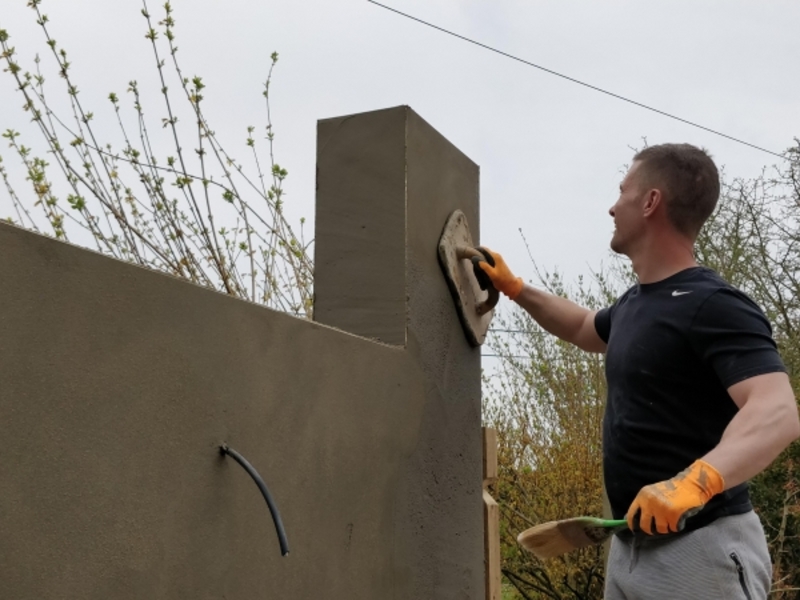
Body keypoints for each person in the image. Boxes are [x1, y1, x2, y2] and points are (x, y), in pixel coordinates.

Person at [475, 143, 800, 599]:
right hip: (628, 548)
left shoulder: (714, 304)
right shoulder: (633, 305)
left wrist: (695, 482)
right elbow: (585, 327)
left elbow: (777, 411)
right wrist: (514, 288)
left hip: (701, 547)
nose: (612, 206)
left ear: (650, 202)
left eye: (622, 191)